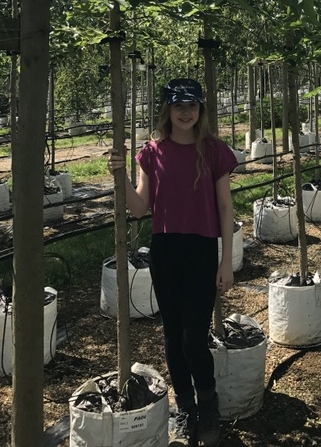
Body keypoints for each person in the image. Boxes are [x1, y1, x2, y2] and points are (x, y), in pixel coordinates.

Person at [108, 78, 237, 447]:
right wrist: (119, 174)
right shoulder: (152, 152)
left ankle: (208, 403)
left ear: (201, 110)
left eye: (192, 105)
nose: (185, 112)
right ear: (167, 109)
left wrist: (226, 261)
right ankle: (186, 408)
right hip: (164, 250)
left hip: (200, 250)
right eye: (178, 105)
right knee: (171, 335)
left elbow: (226, 208)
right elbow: (139, 207)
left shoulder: (214, 151)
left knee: (192, 336)